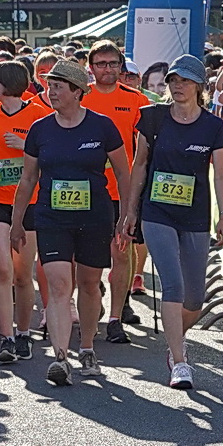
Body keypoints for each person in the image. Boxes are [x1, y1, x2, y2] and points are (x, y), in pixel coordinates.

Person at [10, 60, 128, 386]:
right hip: (52, 216)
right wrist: (16, 221)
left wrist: (126, 214)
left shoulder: (102, 127)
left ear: (77, 92)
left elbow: (123, 172)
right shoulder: (40, 129)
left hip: (95, 216)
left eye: (58, 87)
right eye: (49, 86)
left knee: (88, 284)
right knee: (60, 285)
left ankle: (87, 347)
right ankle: (60, 357)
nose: (51, 93)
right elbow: (28, 178)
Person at [117, 55, 223, 389]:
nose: (178, 86)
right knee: (173, 286)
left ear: (199, 86)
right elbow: (140, 165)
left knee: (195, 298)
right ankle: (180, 362)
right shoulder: (152, 117)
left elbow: (221, 174)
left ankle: (174, 339)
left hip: (195, 214)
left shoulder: (213, 127)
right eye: (174, 80)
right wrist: (131, 210)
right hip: (157, 213)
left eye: (185, 81)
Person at [0, 60, 48, 364]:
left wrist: (24, 144)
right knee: (2, 269)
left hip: (29, 201)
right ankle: (5, 338)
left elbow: (51, 153)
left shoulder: (39, 115)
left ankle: (23, 333)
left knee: (21, 274)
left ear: (9, 83)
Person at [80, 40, 149, 344]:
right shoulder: (80, 96)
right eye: (101, 64)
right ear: (90, 67)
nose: (107, 69)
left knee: (122, 254)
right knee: (85, 258)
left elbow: (145, 147)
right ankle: (92, 299)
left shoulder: (136, 100)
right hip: (84, 190)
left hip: (122, 191)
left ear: (121, 67)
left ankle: (116, 318)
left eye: (112, 63)